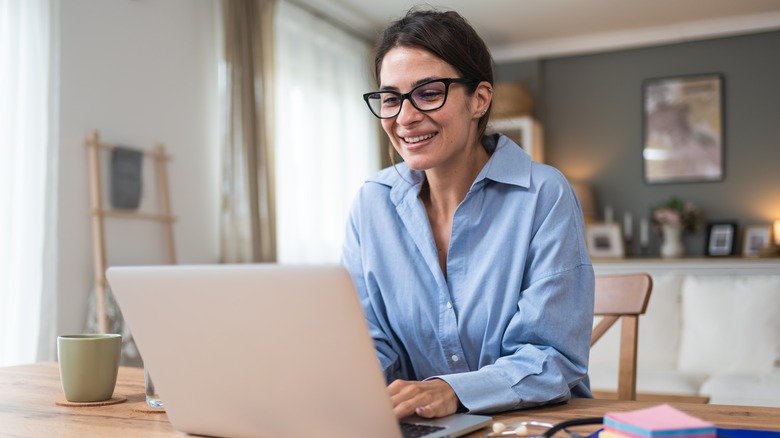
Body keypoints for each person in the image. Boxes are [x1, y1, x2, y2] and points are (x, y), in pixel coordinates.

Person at [341, 7, 594, 419]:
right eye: (391, 98)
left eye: (428, 93)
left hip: (532, 423)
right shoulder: (372, 204)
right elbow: (368, 345)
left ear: (479, 99)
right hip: (423, 425)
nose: (405, 117)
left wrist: (453, 390)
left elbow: (553, 357)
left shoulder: (544, 195)